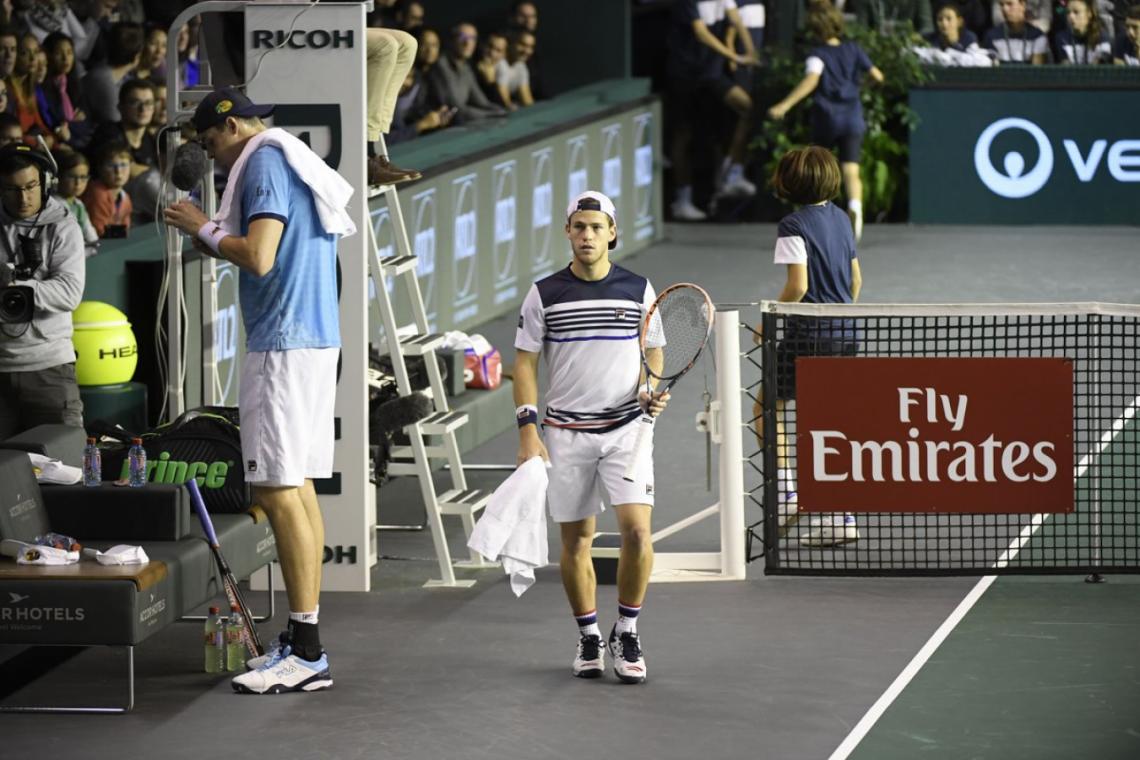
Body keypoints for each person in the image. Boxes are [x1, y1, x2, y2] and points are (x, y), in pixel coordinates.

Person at [164, 87, 352, 695]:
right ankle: (304, 640)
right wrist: (213, 233)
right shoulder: (286, 154)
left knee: (275, 490)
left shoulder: (265, 160)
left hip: (283, 344)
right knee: (295, 485)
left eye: (211, 141)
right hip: (311, 339)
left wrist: (202, 227)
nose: (212, 155)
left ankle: (309, 651)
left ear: (234, 127)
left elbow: (261, 256)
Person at [514, 191, 670, 685]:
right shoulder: (544, 293)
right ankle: (587, 636)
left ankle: (626, 629)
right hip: (565, 434)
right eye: (579, 226)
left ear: (612, 233)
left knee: (638, 533)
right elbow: (524, 362)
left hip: (627, 430)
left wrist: (649, 388)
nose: (587, 236)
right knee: (577, 540)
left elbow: (655, 351)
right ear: (567, 232)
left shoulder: (639, 289)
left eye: (596, 227)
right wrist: (527, 431)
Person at [755, 145, 862, 547]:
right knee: (830, 423)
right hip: (847, 335)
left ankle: (786, 495)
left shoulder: (792, 225)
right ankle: (842, 516)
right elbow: (856, 283)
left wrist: (770, 320)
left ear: (789, 183)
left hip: (808, 336)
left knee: (767, 408)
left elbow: (798, 286)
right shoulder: (842, 218)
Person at [768, 0, 884, 242]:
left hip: (827, 119)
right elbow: (877, 75)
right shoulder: (854, 49)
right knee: (851, 169)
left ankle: (821, 223)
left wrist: (784, 105)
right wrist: (861, 87)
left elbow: (811, 81)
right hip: (852, 117)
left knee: (820, 170)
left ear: (814, 28)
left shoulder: (817, 55)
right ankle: (855, 207)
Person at [0, 143, 85, 439]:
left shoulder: (64, 226)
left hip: (49, 367)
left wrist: (15, 286)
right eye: (12, 189)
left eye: (31, 186)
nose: (23, 197)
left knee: (64, 468)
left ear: (46, 182)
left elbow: (70, 293)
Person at [666, 0, 760, 222]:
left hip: (711, 74)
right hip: (685, 75)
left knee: (745, 111)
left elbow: (735, 19)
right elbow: (700, 32)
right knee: (684, 135)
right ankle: (683, 199)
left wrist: (750, 52)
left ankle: (730, 172)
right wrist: (734, 56)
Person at [428, 23, 508, 124]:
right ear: (452, 40)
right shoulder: (441, 65)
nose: (467, 42)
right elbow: (456, 109)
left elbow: (482, 102)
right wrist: (494, 115)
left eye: (472, 38)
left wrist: (501, 111)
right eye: (462, 37)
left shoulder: (466, 67)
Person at [52, 148, 98, 255]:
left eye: (83, 177)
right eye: (72, 176)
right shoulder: (54, 206)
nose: (78, 183)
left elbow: (89, 231)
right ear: (59, 177)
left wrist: (95, 244)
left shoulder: (78, 204)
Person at [81, 141, 132, 236]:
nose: (118, 171)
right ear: (100, 168)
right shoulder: (97, 193)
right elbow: (99, 230)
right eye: (110, 165)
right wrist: (124, 232)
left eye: (123, 165)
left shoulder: (125, 196)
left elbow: (126, 225)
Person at [983, 0, 1049, 64]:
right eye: (1001, 5)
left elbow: (1036, 71)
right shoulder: (992, 36)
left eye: (1009, 4)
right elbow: (993, 70)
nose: (1004, 9)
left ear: (1023, 5)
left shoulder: (1037, 36)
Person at [498, 27, 536, 108]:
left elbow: (528, 101)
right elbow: (505, 103)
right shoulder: (500, 63)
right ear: (511, 43)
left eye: (531, 47)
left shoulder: (521, 67)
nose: (527, 51)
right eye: (522, 44)